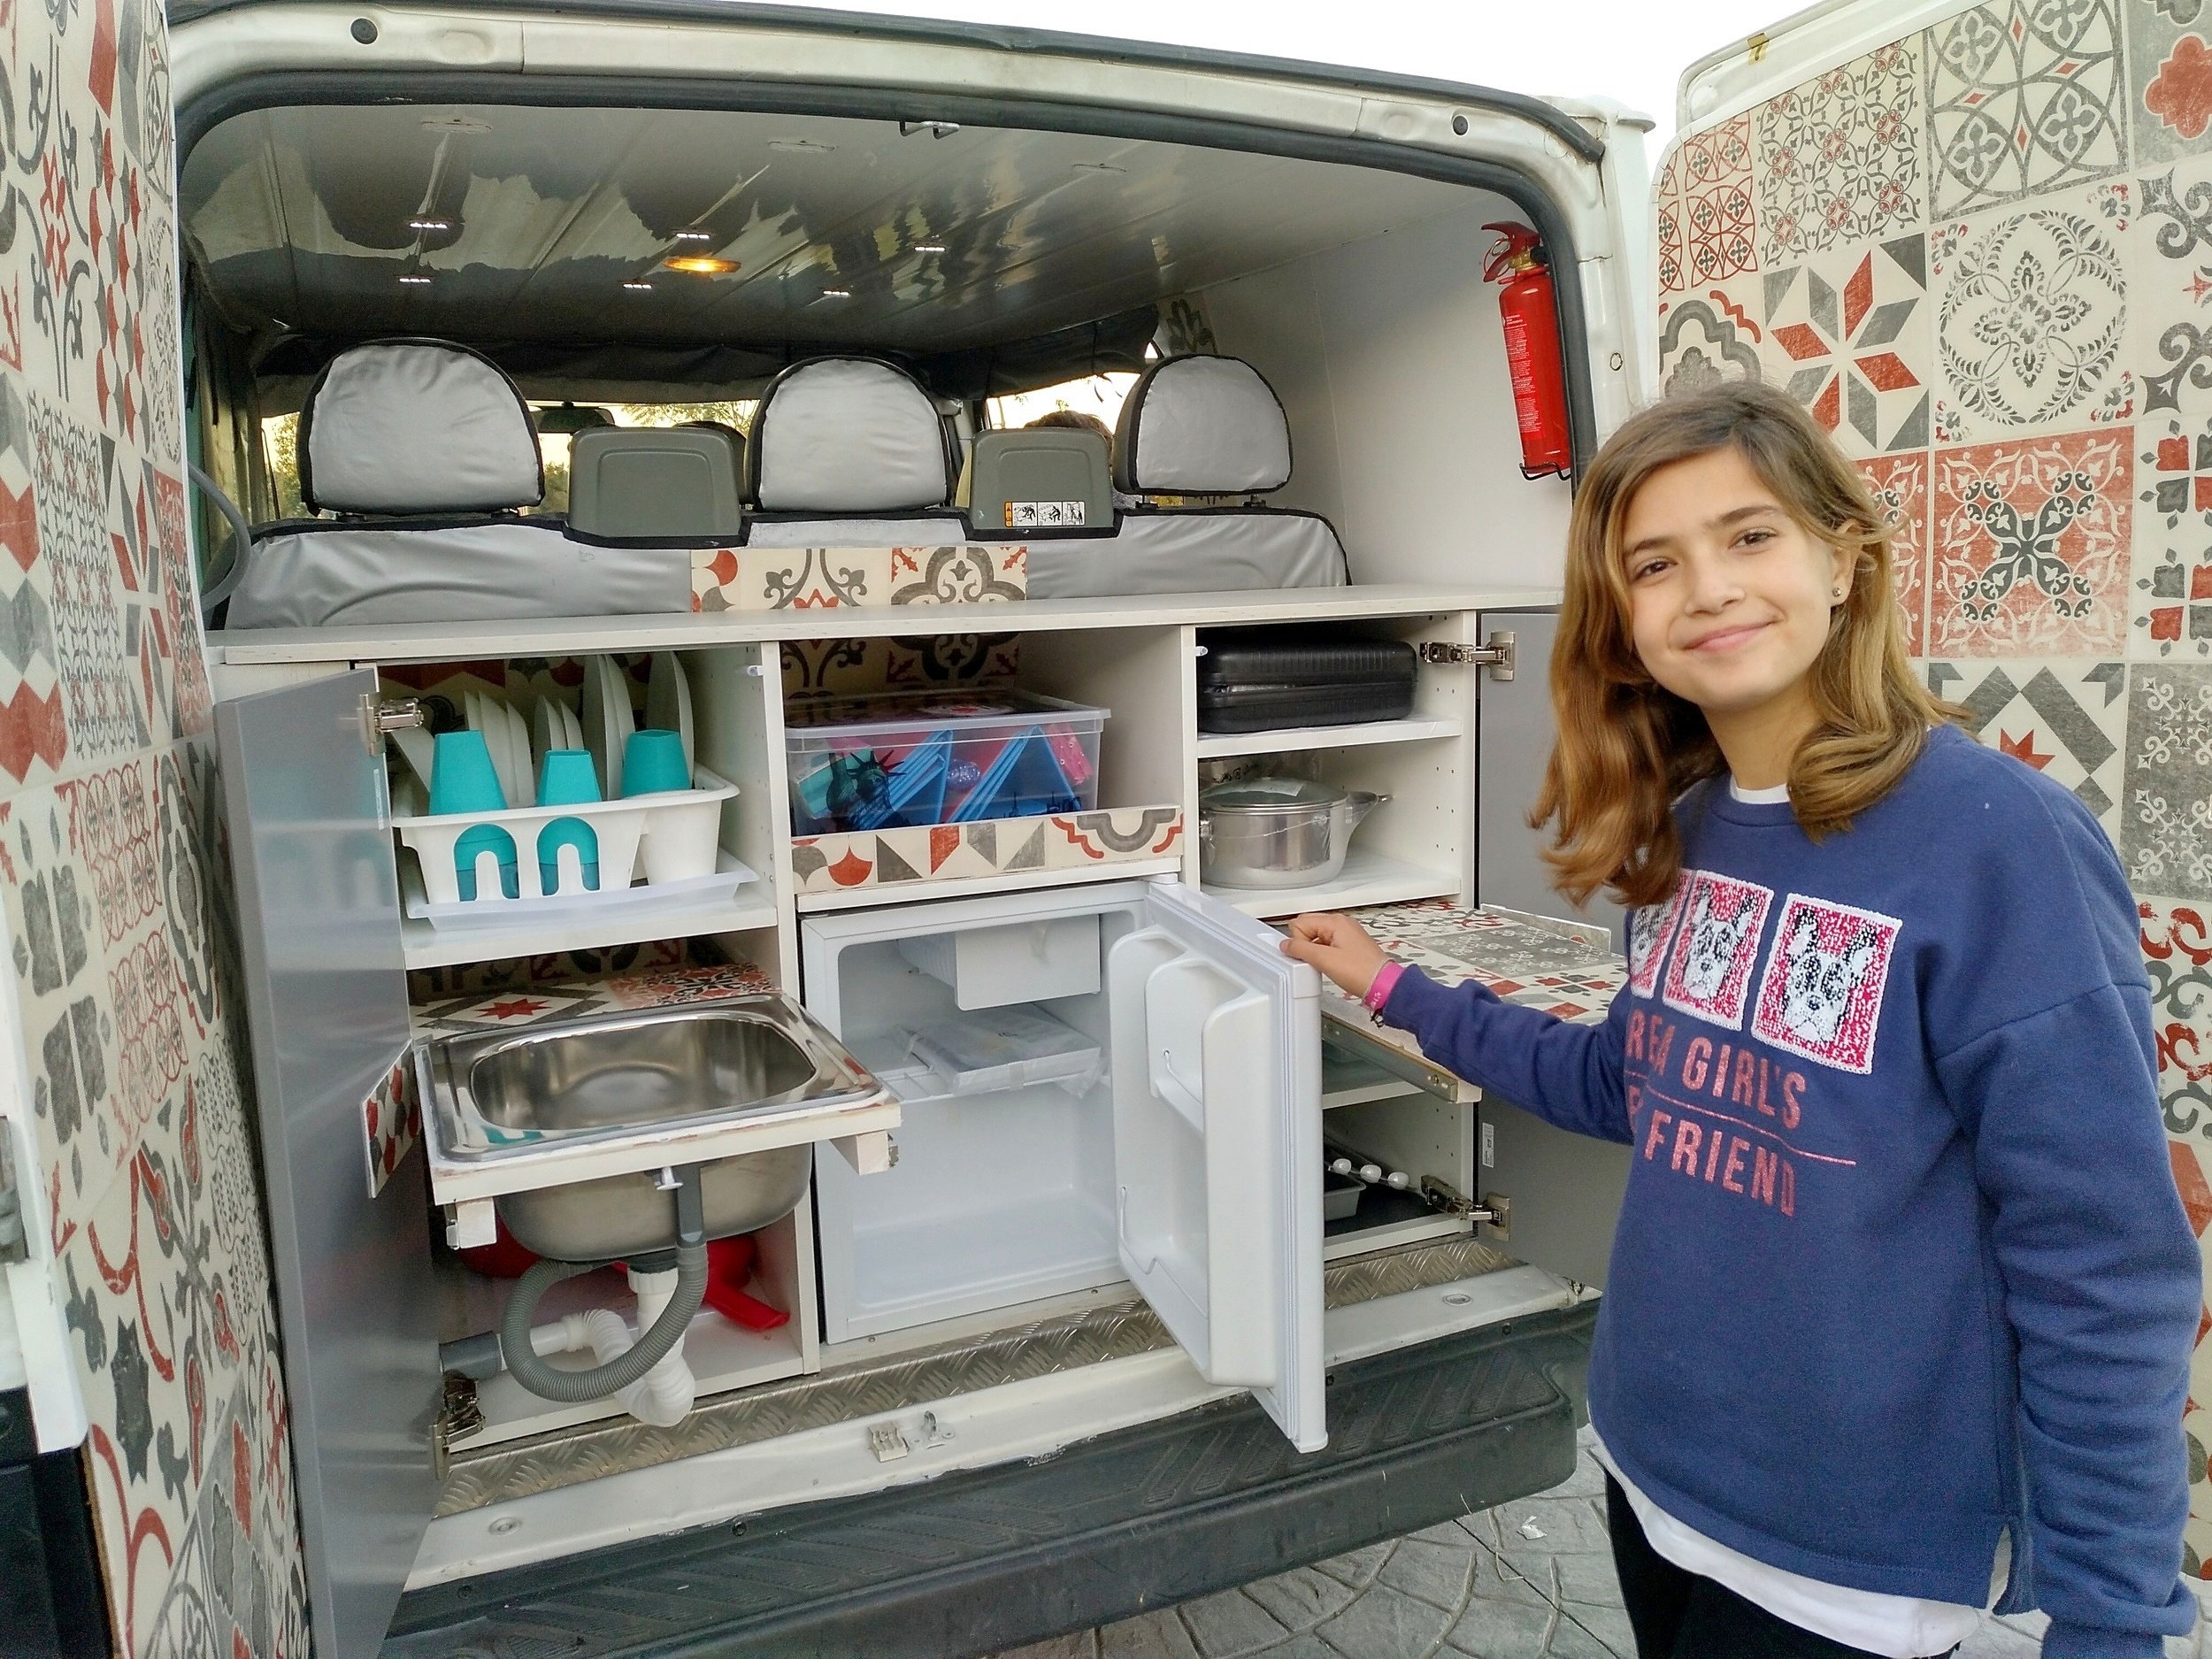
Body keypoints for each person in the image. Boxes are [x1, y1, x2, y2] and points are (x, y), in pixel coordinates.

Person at [1282, 381, 2199, 1659]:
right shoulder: (1690, 831)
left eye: (1750, 536)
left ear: (1843, 558)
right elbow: (1628, 1082)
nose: (1708, 588)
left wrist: (2115, 1620)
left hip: (1850, 1557)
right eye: (1654, 564)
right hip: (1653, 1472)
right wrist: (1397, 990)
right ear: (1620, 626)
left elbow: (2102, 1260)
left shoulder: (2000, 842)